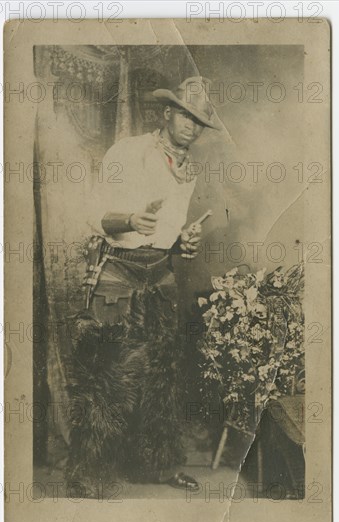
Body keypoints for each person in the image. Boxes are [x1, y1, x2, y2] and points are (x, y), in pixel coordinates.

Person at [66, 76, 220, 497]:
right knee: (110, 375)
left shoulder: (187, 167)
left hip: (161, 274)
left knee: (163, 375)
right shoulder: (128, 151)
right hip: (120, 271)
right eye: (185, 116)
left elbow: (168, 233)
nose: (191, 126)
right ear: (167, 113)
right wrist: (130, 220)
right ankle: (88, 474)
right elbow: (91, 212)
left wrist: (182, 241)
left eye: (199, 121)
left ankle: (156, 466)